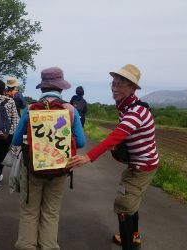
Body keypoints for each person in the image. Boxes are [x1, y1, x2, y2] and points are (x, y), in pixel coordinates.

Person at [66, 64, 159, 250]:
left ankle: (129, 245)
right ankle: (134, 235)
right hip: (139, 163)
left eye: (121, 84)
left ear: (133, 88)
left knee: (123, 205)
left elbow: (115, 136)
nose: (115, 88)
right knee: (132, 202)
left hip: (142, 166)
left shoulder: (136, 111)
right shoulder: (126, 106)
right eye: (113, 83)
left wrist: (88, 157)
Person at [12, 67, 86, 250]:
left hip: (32, 169)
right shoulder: (70, 110)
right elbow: (82, 142)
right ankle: (48, 246)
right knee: (51, 212)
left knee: (29, 211)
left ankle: (26, 245)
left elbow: (15, 140)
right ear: (61, 88)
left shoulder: (30, 109)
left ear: (42, 88)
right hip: (60, 168)